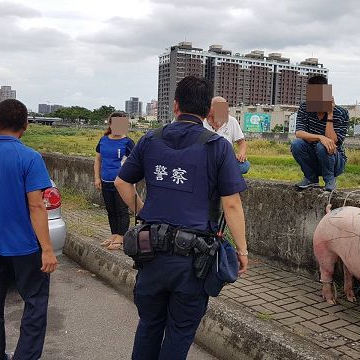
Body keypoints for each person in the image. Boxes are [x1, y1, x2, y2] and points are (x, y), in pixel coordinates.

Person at [114, 76, 249, 360]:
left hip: (150, 252)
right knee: (180, 331)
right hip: (193, 261)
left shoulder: (151, 139)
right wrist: (242, 250)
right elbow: (232, 204)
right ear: (207, 112)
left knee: (149, 324)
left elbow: (121, 182)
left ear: (175, 105)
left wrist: (144, 211)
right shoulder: (217, 146)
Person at [0, 99, 58, 360]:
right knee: (35, 302)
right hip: (26, 246)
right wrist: (47, 250)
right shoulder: (30, 158)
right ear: (26, 126)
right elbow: (36, 206)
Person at [291, 75, 349, 191]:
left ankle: (329, 180)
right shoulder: (305, 108)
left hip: (334, 161)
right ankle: (311, 178)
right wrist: (320, 137)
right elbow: (299, 133)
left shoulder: (341, 113)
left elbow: (332, 141)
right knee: (297, 144)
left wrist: (330, 114)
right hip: (313, 158)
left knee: (323, 145)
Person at [94, 111, 135, 250]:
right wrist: (97, 178)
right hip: (105, 181)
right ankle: (114, 234)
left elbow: (134, 164)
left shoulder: (128, 142)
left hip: (121, 183)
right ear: (110, 124)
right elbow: (98, 160)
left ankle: (121, 237)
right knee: (111, 210)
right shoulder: (103, 140)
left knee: (121, 210)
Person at [203, 96, 250, 174]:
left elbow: (242, 142)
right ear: (211, 111)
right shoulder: (202, 122)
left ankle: (218, 172)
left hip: (226, 159)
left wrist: (241, 154)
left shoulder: (232, 121)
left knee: (244, 166)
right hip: (207, 159)